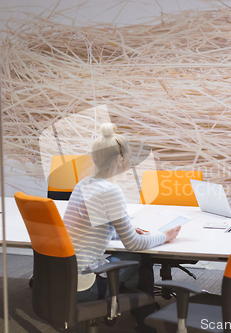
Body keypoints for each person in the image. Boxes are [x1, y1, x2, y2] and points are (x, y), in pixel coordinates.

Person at [62, 123, 181, 333]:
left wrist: (125, 228)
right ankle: (146, 323)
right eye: (129, 158)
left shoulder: (83, 184)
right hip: (84, 287)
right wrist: (164, 236)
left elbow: (97, 224)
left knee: (126, 259)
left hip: (63, 279)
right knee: (141, 258)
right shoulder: (111, 190)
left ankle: (143, 316)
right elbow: (133, 244)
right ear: (120, 160)